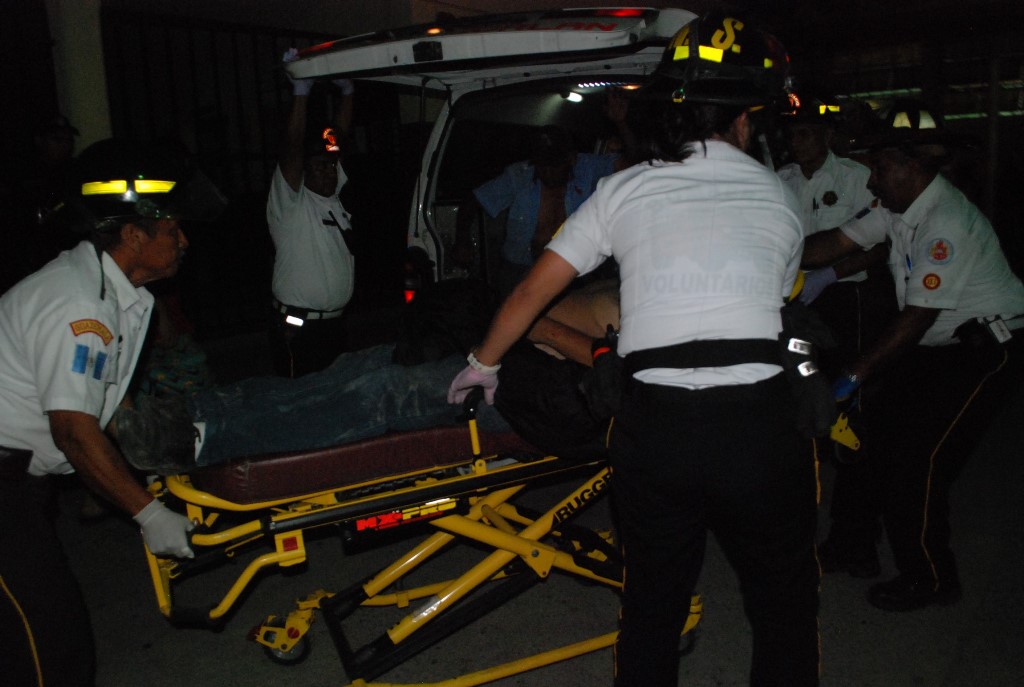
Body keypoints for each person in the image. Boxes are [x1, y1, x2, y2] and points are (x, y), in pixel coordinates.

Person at [448, 13, 820, 687]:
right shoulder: (781, 198)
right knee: (783, 604)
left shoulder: (623, 189)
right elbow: (776, 301)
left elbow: (530, 291)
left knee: (652, 603)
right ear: (746, 122)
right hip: (758, 427)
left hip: (658, 427)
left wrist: (483, 365)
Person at [0, 138, 224, 687]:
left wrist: (170, 445)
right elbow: (74, 432)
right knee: (50, 645)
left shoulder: (115, 295)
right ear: (133, 235)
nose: (184, 240)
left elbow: (106, 402)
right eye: (172, 228)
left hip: (19, 482)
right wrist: (148, 514)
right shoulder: (80, 304)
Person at [112, 278, 620, 473]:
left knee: (381, 393)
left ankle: (200, 442)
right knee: (358, 365)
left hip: (529, 395)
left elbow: (624, 373)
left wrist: (531, 322)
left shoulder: (654, 302)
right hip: (506, 354)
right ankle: (195, 410)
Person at [820, 128, 1024, 611]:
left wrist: (854, 375)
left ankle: (930, 577)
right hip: (935, 344)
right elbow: (837, 241)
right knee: (867, 438)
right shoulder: (897, 206)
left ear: (913, 168)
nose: (872, 180)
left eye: (880, 168)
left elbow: (916, 317)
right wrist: (777, 264)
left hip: (984, 348)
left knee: (919, 460)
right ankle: (853, 545)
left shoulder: (946, 220)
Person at [453, 90, 635, 296]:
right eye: (541, 165)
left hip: (573, 270)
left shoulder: (588, 168)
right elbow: (472, 201)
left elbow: (635, 165)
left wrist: (621, 123)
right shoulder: (519, 176)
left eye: (554, 165)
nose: (547, 172)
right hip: (520, 270)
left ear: (571, 159)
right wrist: (462, 241)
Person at [777, 96, 895, 373]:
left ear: (827, 136)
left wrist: (828, 275)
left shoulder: (855, 177)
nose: (796, 142)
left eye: (805, 134)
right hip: (793, 293)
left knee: (842, 366)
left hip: (842, 291)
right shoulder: (781, 179)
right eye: (791, 135)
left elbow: (881, 245)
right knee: (801, 369)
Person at [267, 48, 357, 377]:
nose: (327, 172)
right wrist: (300, 93)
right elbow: (292, 148)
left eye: (330, 167)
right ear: (303, 172)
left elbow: (339, 141)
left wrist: (347, 92)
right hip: (298, 325)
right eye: (318, 167)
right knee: (300, 397)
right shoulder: (292, 203)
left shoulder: (334, 199)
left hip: (334, 324)